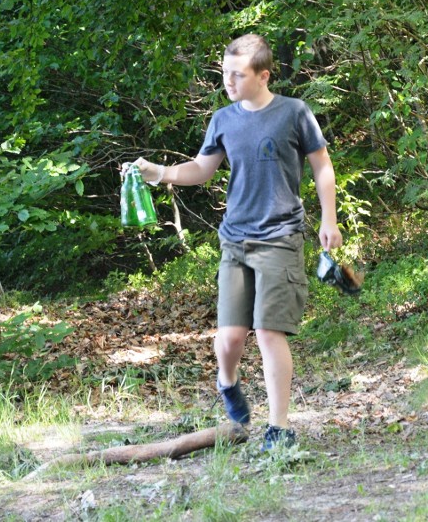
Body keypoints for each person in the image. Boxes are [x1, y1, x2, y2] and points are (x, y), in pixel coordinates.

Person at [131, 33, 343, 451]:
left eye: (237, 74)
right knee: (230, 338)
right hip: (235, 241)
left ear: (263, 75)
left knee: (268, 332)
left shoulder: (294, 113)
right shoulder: (223, 119)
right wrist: (158, 172)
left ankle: (278, 428)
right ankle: (227, 382)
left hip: (280, 237)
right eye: (224, 73)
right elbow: (201, 169)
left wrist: (329, 220)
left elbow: (322, 166)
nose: (228, 81)